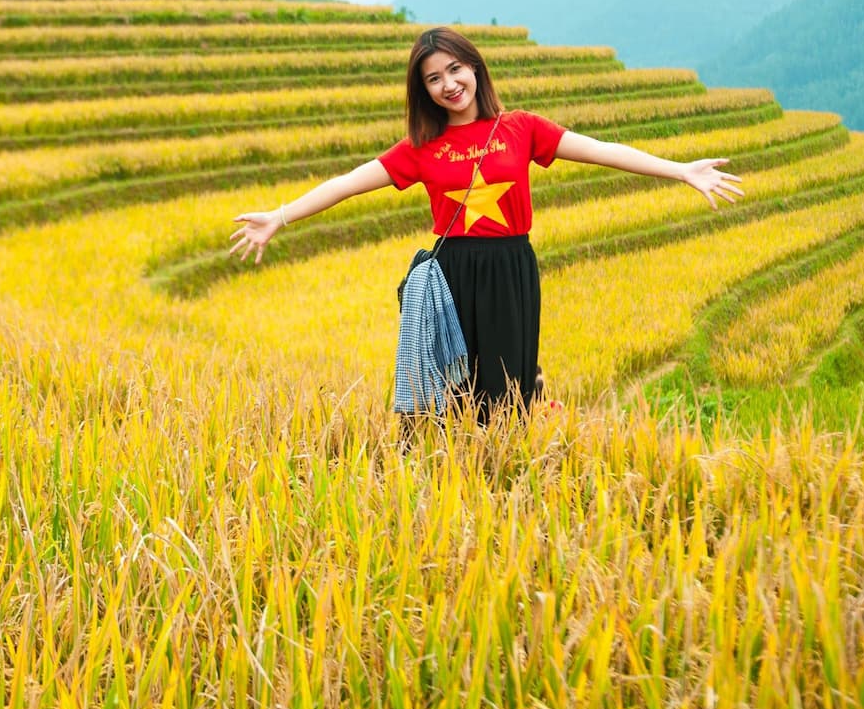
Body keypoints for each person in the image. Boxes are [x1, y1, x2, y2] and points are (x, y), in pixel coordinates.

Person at [227, 26, 743, 422]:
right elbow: (346, 182)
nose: (448, 84)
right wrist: (281, 215)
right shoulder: (421, 149)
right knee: (451, 396)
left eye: (455, 70)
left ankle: (507, 477)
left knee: (507, 397)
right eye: (433, 78)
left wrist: (679, 170)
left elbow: (602, 151)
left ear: (475, 68)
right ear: (423, 90)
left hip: (511, 270)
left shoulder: (520, 128)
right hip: (452, 277)